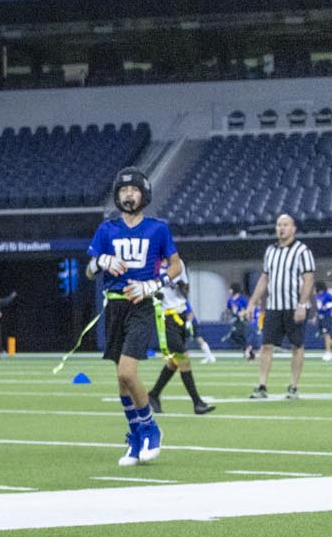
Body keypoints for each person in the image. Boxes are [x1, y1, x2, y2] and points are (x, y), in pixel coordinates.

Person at [86, 168, 183, 466]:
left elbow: (176, 266)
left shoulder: (157, 228)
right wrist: (101, 261)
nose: (129, 194)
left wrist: (153, 284)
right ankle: (136, 436)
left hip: (142, 305)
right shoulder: (106, 230)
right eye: (124, 190)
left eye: (134, 190)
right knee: (121, 381)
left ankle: (151, 428)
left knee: (127, 373)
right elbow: (89, 272)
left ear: (144, 194)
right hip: (115, 307)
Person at [249, 213, 315, 400]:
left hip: (294, 306)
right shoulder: (270, 251)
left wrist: (302, 304)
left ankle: (293, 387)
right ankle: (262, 385)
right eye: (279, 225)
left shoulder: (302, 251)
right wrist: (253, 301)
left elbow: (309, 279)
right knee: (266, 345)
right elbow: (265, 277)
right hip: (274, 306)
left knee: (297, 345)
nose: (281, 228)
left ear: (293, 228)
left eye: (285, 225)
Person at [147, 274, 215, 415]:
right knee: (184, 359)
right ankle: (197, 403)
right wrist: (154, 294)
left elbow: (185, 288)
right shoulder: (154, 267)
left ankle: (153, 394)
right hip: (167, 318)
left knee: (174, 362)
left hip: (181, 315)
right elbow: (146, 288)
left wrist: (182, 286)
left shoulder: (178, 265)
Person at [225, 288, 252, 359]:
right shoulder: (230, 300)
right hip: (236, 319)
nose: (229, 291)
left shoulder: (242, 299)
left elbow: (247, 309)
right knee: (240, 336)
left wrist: (243, 313)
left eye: (231, 289)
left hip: (242, 319)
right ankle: (249, 353)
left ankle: (247, 348)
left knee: (236, 334)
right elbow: (229, 309)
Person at [314, 282, 332, 362]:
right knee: (322, 334)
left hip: (326, 316)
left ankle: (328, 352)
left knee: (326, 333)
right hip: (320, 316)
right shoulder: (317, 296)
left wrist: (327, 306)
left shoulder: (327, 295)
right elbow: (318, 307)